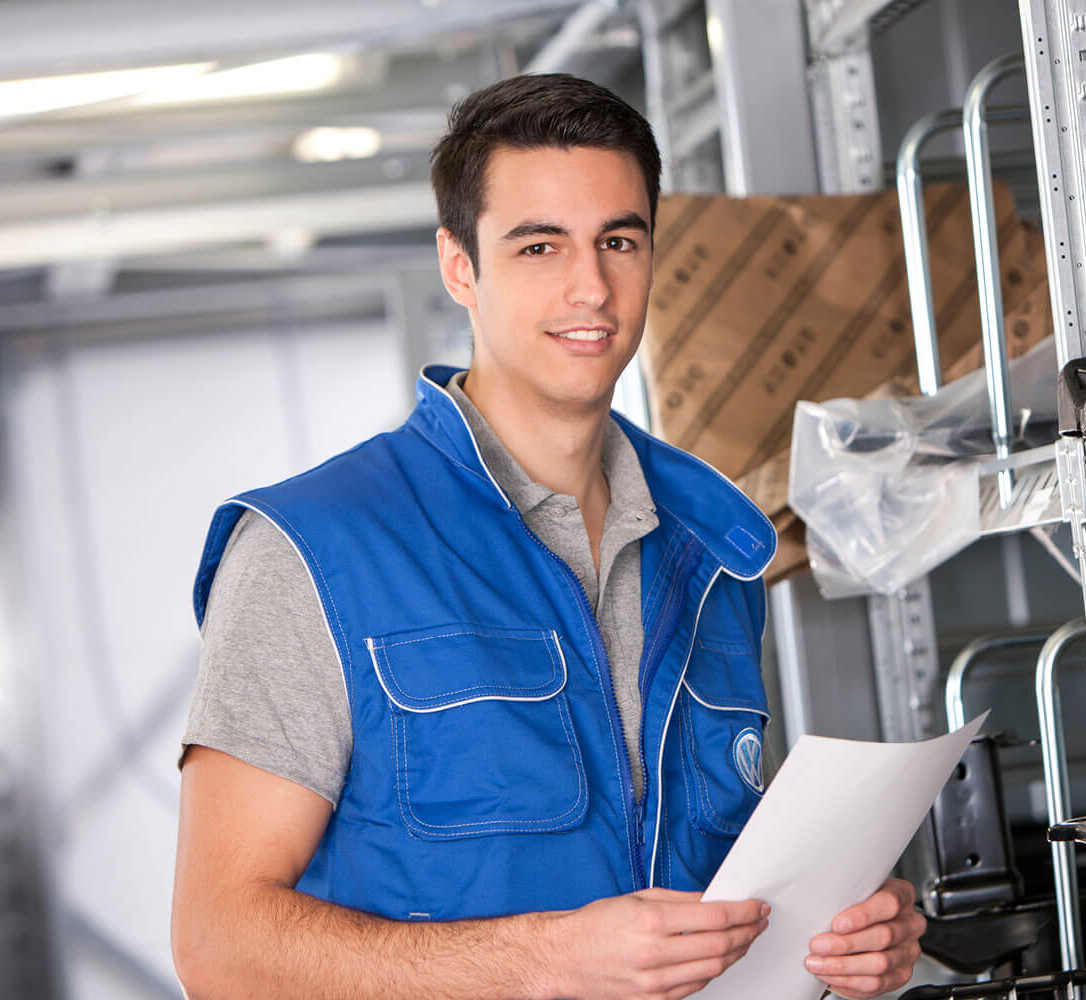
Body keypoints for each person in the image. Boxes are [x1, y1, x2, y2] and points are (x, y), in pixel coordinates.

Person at [171, 73, 926, 1000]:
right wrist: (547, 960)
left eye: (620, 240)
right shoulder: (313, 552)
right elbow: (219, 945)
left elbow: (715, 885)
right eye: (539, 245)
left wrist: (843, 934)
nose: (591, 287)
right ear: (459, 265)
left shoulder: (712, 550)